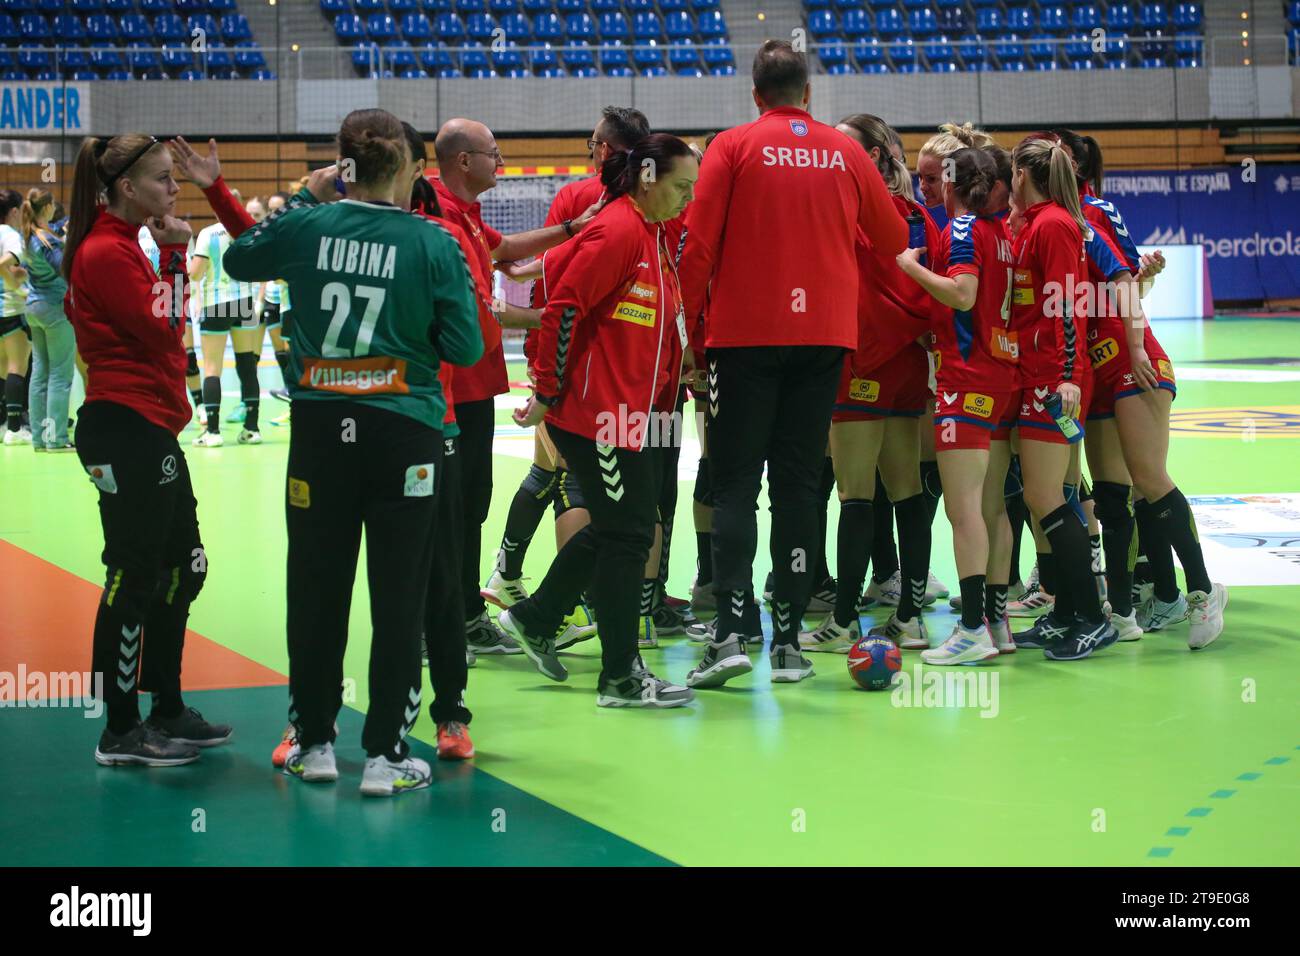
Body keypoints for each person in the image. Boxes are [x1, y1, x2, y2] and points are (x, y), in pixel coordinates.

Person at [223, 109, 483, 795]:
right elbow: (467, 348)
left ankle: (312, 744)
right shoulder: (433, 241)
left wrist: (308, 196)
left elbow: (239, 257)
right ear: (404, 164)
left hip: (318, 436)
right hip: (405, 435)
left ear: (341, 165)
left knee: (314, 589)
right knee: (400, 596)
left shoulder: (307, 225)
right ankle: (386, 758)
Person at [678, 41, 907, 688]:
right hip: (824, 339)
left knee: (734, 486)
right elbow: (891, 240)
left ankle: (728, 634)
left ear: (756, 95)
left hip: (742, 338)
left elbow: (699, 246)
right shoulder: (845, 151)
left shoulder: (732, 146)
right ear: (808, 94)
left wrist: (688, 336)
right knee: (800, 488)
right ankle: (788, 645)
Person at [63, 132, 250, 765]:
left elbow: (164, 332)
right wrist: (175, 256)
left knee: (184, 567)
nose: (175, 190)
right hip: (124, 427)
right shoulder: (105, 252)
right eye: (164, 179)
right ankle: (119, 730)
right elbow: (167, 329)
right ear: (125, 188)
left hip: (150, 428)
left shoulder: (120, 245)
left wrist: (166, 257)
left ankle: (165, 706)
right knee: (134, 575)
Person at [499, 133, 699, 707]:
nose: (687, 198)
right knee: (630, 533)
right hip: (596, 415)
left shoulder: (651, 233)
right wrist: (546, 389)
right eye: (681, 186)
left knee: (624, 527)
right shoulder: (618, 230)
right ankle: (619, 676)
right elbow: (562, 310)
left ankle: (537, 618)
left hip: (633, 413)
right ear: (647, 176)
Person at [432, 116, 599, 656]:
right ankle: (436, 624)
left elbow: (509, 252)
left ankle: (467, 614)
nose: (501, 163)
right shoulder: (438, 218)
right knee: (447, 508)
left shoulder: (470, 217)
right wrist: (554, 318)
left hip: (477, 387)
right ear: (463, 160)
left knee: (471, 505)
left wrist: (573, 229)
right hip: (446, 391)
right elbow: (483, 305)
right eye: (493, 154)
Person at [797, 113, 938, 656]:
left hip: (861, 365)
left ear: (874, 157)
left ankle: (845, 620)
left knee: (856, 494)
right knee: (905, 491)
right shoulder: (915, 215)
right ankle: (910, 618)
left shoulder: (847, 213)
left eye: (844, 148)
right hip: (905, 367)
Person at [896, 147, 1017, 662]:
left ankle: (971, 630)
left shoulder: (965, 229)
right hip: (1003, 376)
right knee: (993, 508)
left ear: (950, 185)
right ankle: (998, 620)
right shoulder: (1001, 233)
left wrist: (909, 268)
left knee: (962, 508)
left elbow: (963, 294)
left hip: (966, 381)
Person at [1004, 134, 1118, 660]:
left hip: (1056, 379)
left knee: (1048, 497)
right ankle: (1068, 611)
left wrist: (1069, 374)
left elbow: (1067, 302)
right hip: (1040, 374)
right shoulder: (1035, 224)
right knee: (1044, 496)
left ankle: (1094, 618)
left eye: (1011, 173)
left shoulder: (1052, 225)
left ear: (1022, 176)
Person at [189, 187, 263, 447]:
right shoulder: (249, 231)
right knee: (246, 364)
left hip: (216, 304)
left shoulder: (208, 234)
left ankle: (213, 432)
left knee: (212, 368)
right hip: (244, 302)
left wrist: (192, 266)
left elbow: (195, 274)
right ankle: (252, 429)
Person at [19, 189, 75, 452]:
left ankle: (40, 438)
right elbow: (64, 269)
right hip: (54, 307)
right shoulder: (47, 242)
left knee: (39, 374)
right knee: (59, 376)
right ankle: (57, 438)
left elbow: (53, 228)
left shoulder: (30, 234)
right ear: (48, 207)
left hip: (33, 307)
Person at [0, 189, 32, 445]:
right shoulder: (11, 235)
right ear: (12, 212)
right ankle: (14, 428)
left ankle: (3, 423)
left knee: (1, 367)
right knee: (16, 366)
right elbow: (3, 264)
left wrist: (14, 274)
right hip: (10, 308)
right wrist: (15, 286)